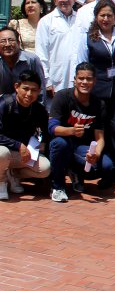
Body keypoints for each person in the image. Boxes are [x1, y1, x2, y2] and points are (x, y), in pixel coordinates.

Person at [75, 0, 115, 192]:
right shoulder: (88, 38)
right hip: (98, 93)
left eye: (109, 15)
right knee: (103, 131)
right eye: (102, 15)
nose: (106, 19)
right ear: (96, 17)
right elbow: (82, 64)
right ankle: (109, 173)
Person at [48, 63, 115, 201]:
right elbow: (52, 128)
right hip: (62, 143)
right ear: (75, 80)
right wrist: (71, 130)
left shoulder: (99, 104)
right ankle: (57, 187)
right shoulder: (62, 96)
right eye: (81, 78)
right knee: (60, 144)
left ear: (94, 81)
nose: (84, 82)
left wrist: (96, 154)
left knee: (106, 166)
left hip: (81, 148)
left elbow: (100, 138)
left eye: (89, 79)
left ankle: (75, 172)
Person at [0, 71, 52, 199]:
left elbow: (43, 133)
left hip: (23, 154)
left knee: (45, 168)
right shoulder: (4, 104)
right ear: (16, 87)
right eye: (25, 89)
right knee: (2, 154)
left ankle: (13, 175)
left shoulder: (39, 110)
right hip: (5, 150)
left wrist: (39, 144)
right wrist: (19, 146)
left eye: (34, 90)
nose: (29, 94)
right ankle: (1, 181)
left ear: (39, 91)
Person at [36, 0, 79, 98]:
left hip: (79, 80)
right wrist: (47, 81)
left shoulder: (81, 19)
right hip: (56, 81)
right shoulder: (46, 21)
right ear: (55, 0)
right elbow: (41, 53)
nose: (64, 0)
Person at [0, 27, 45, 97]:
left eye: (11, 40)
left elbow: (41, 88)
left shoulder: (32, 60)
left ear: (18, 43)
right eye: (3, 41)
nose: (7, 44)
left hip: (29, 102)